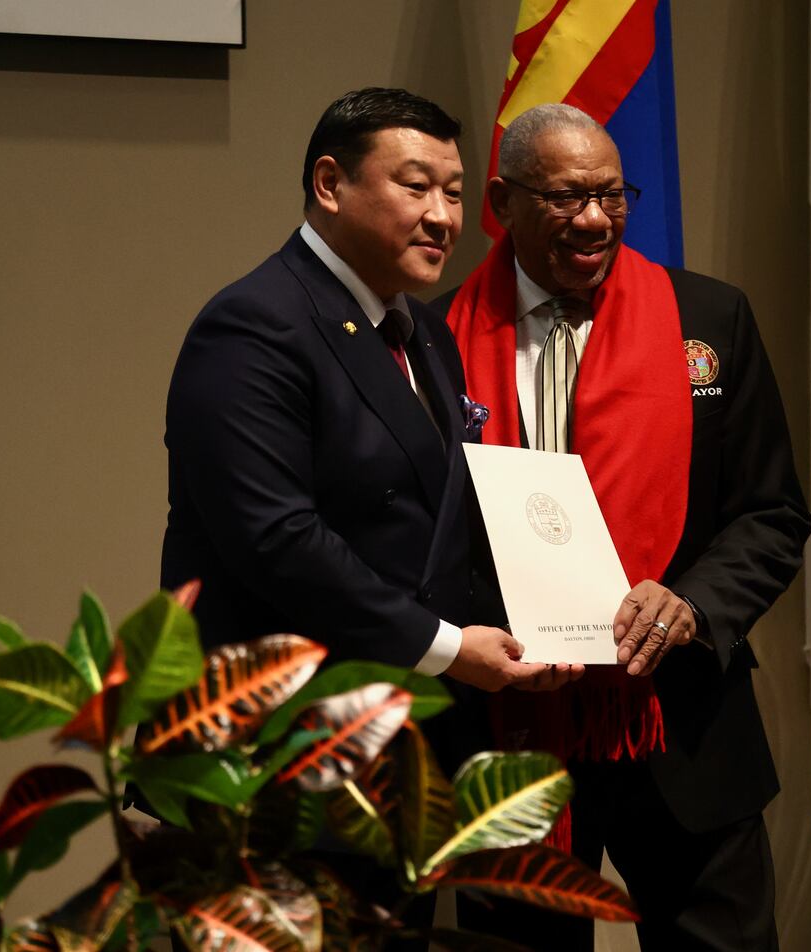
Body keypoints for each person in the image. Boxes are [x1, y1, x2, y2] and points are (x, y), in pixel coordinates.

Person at [441, 103, 811, 951]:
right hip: (512, 727)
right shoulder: (434, 339)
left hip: (680, 722)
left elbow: (772, 511)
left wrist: (692, 603)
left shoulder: (709, 320)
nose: (597, 220)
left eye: (613, 195)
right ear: (502, 202)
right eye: (568, 198)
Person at [160, 88, 550, 774]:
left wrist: (546, 619)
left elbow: (437, 524)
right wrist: (448, 648)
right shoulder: (254, 325)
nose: (442, 217)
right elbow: (277, 539)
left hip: (405, 739)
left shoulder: (426, 331)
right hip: (281, 743)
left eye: (455, 194)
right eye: (416, 186)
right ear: (330, 184)